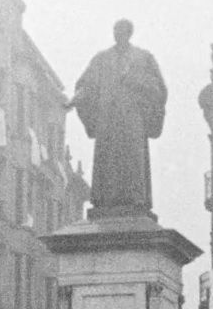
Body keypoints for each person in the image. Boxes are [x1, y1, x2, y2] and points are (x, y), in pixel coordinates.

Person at [67, 18, 168, 218]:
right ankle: (106, 200)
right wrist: (75, 99)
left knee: (132, 160)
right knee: (108, 160)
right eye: (115, 30)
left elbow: (158, 89)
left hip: (132, 119)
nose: (117, 34)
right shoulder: (101, 59)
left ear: (129, 33)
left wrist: (137, 81)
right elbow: (86, 84)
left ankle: (135, 200)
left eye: (121, 30)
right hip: (108, 120)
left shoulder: (144, 57)